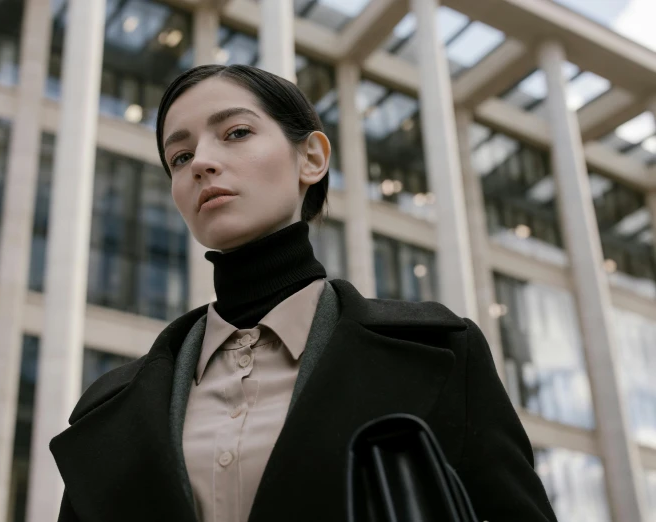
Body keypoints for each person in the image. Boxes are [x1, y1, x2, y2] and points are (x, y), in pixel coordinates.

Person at [49, 64, 558, 522]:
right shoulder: (109, 411)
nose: (201, 162)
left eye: (236, 132)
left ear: (311, 157)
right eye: (179, 156)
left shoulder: (442, 352)